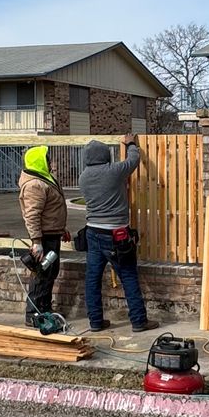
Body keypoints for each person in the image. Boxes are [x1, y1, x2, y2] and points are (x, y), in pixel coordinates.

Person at [77, 134, 151, 334]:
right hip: (116, 234)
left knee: (92, 279)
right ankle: (138, 321)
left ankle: (95, 322)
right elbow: (133, 160)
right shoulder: (113, 171)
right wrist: (131, 144)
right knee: (127, 275)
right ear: (105, 156)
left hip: (92, 232)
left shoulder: (83, 177)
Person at [17, 144, 68, 326]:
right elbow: (32, 215)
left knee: (49, 273)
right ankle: (33, 315)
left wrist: (61, 229)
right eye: (47, 158)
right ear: (40, 161)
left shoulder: (43, 179)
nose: (50, 161)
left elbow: (52, 209)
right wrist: (36, 241)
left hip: (51, 234)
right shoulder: (34, 185)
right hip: (44, 238)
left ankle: (44, 309)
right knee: (41, 275)